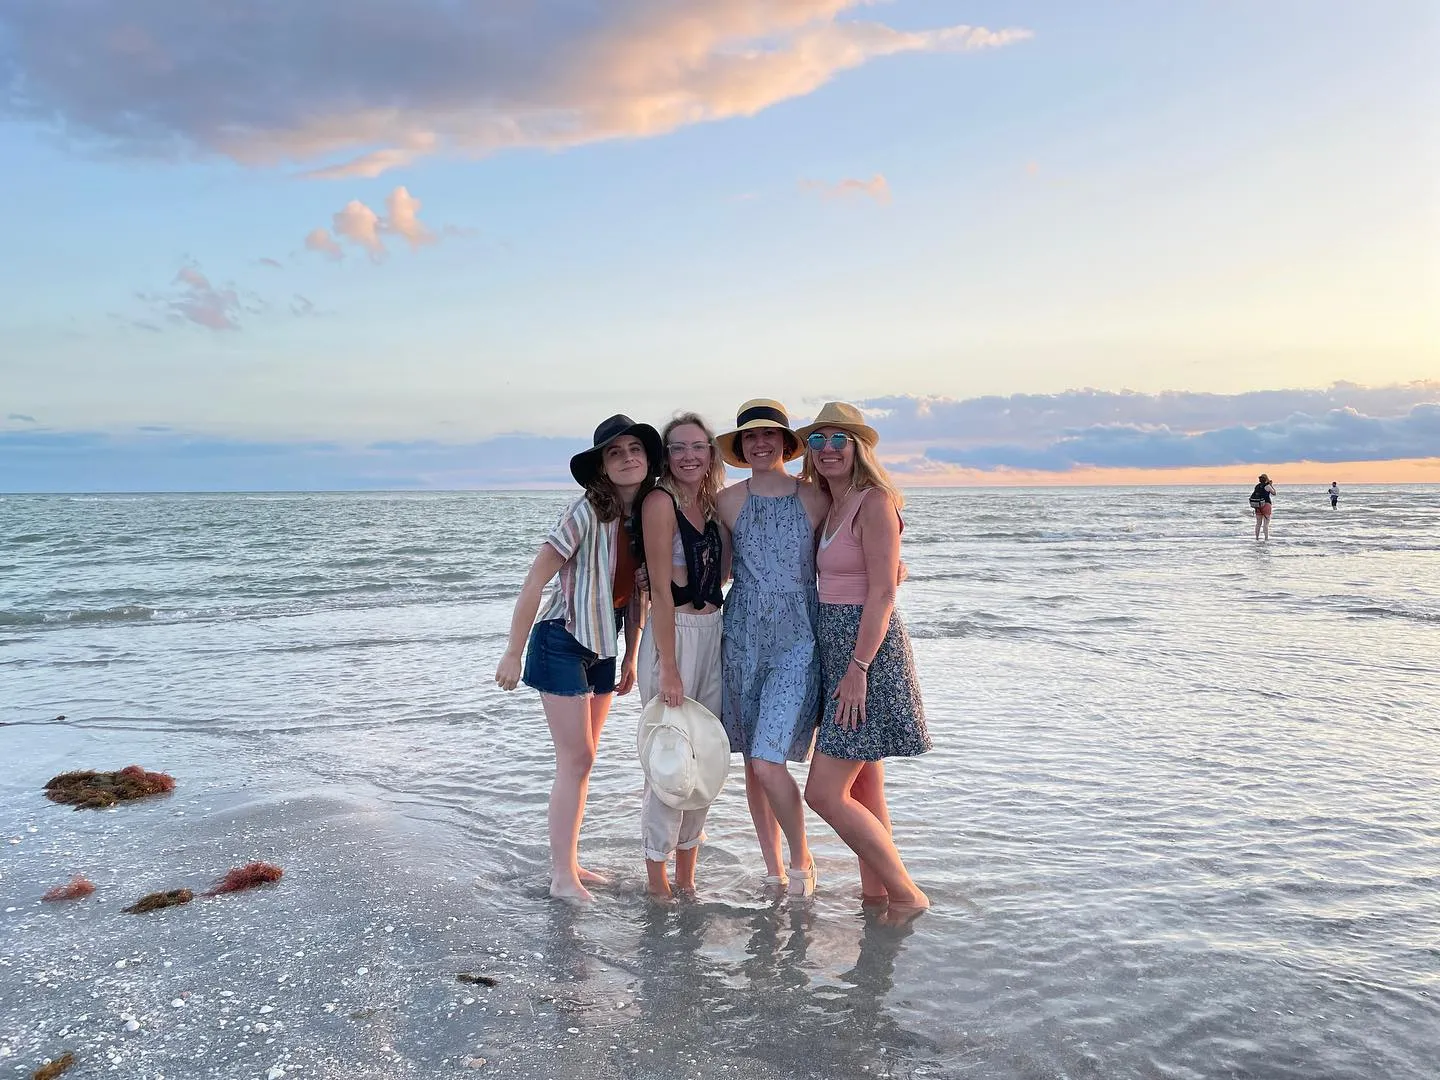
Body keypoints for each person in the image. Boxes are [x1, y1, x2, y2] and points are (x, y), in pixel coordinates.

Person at [495, 414, 663, 901]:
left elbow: (637, 595)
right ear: (602, 466)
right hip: (561, 639)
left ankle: (570, 864)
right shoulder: (586, 511)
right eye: (615, 452)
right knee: (577, 758)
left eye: (635, 449)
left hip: (605, 646)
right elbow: (535, 579)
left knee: (582, 764)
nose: (627, 457)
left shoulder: (645, 517)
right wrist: (512, 651)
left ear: (647, 459)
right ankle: (561, 877)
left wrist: (631, 655)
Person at [797, 402, 931, 920]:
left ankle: (907, 894)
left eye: (840, 439)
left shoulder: (874, 502)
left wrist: (858, 669)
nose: (828, 449)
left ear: (858, 448)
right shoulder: (830, 504)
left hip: (866, 654)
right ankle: (875, 896)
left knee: (824, 793)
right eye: (818, 440)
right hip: (838, 650)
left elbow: (882, 594)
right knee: (866, 786)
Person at [716, 399, 829, 898]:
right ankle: (773, 870)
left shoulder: (815, 498)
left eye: (769, 435)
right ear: (741, 446)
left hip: (799, 637)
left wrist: (893, 568)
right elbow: (716, 570)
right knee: (751, 760)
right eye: (750, 436)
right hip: (742, 635)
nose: (760, 443)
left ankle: (801, 859)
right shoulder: (726, 501)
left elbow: (847, 550)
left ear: (785, 442)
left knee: (768, 758)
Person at [634, 412, 728, 900]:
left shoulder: (710, 505)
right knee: (669, 758)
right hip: (674, 637)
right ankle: (658, 883)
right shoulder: (660, 501)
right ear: (666, 455)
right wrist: (668, 667)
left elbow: (724, 573)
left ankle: (687, 879)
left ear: (710, 453)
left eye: (697, 447)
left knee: (704, 757)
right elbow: (659, 593)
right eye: (678, 448)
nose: (688, 456)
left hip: (712, 633)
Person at [1249, 474, 1276, 540]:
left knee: (1258, 523)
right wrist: (1271, 485)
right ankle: (1266, 539)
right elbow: (1274, 493)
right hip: (1266, 505)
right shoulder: (1267, 486)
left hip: (1258, 506)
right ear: (1266, 479)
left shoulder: (1257, 486)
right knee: (1266, 524)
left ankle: (1257, 538)